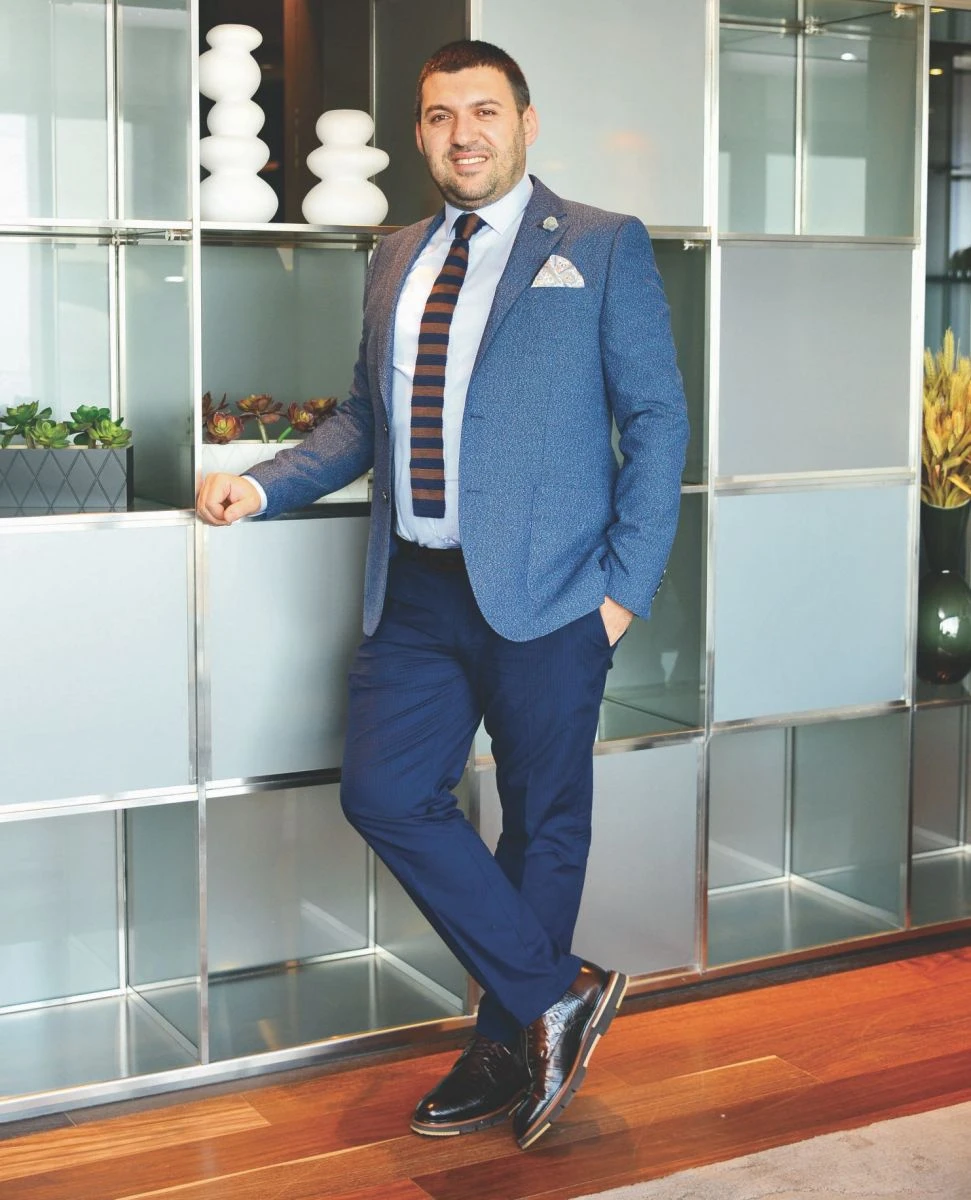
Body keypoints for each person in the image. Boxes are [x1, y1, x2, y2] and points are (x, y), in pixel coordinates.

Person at [196, 39, 688, 1150]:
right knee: (383, 791)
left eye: (483, 110)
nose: (461, 134)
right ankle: (555, 994)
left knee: (541, 824)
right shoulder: (393, 256)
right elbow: (361, 422)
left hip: (553, 595)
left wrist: (622, 591)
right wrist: (261, 486)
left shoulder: (598, 243)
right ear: (418, 132)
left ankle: (500, 1050)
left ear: (525, 121)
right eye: (437, 116)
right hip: (416, 587)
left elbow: (656, 421)